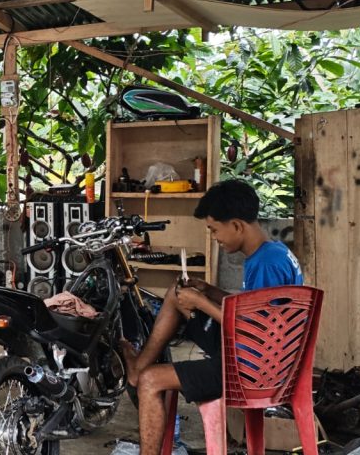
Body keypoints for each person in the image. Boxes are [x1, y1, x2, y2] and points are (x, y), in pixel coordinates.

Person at [122, 179, 303, 454]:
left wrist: (202, 303)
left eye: (215, 230)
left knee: (151, 380)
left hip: (249, 370)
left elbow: (256, 331)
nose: (215, 237)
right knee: (177, 293)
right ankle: (139, 367)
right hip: (257, 359)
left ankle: (140, 372)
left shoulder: (266, 264)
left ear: (237, 226)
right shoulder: (274, 253)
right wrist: (209, 291)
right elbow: (253, 311)